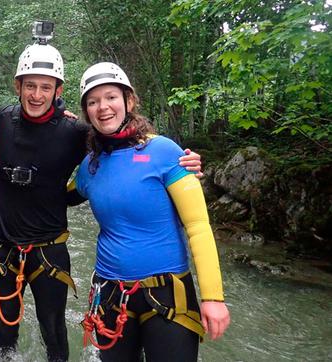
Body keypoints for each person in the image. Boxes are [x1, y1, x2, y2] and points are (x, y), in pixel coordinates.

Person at [0, 43, 203, 362]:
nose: (36, 94)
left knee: (54, 331)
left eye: (46, 87)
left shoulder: (76, 131)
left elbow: (123, 147)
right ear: (17, 86)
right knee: (2, 332)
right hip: (3, 247)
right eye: (29, 85)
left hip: (49, 251)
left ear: (58, 90)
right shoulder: (2, 119)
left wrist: (182, 161)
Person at [75, 62, 230, 361]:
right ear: (86, 113)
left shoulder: (166, 152)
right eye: (93, 102)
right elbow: (58, 196)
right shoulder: (89, 166)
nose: (103, 107)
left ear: (129, 101)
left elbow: (197, 226)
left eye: (110, 97)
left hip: (168, 295)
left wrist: (213, 297)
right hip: (110, 295)